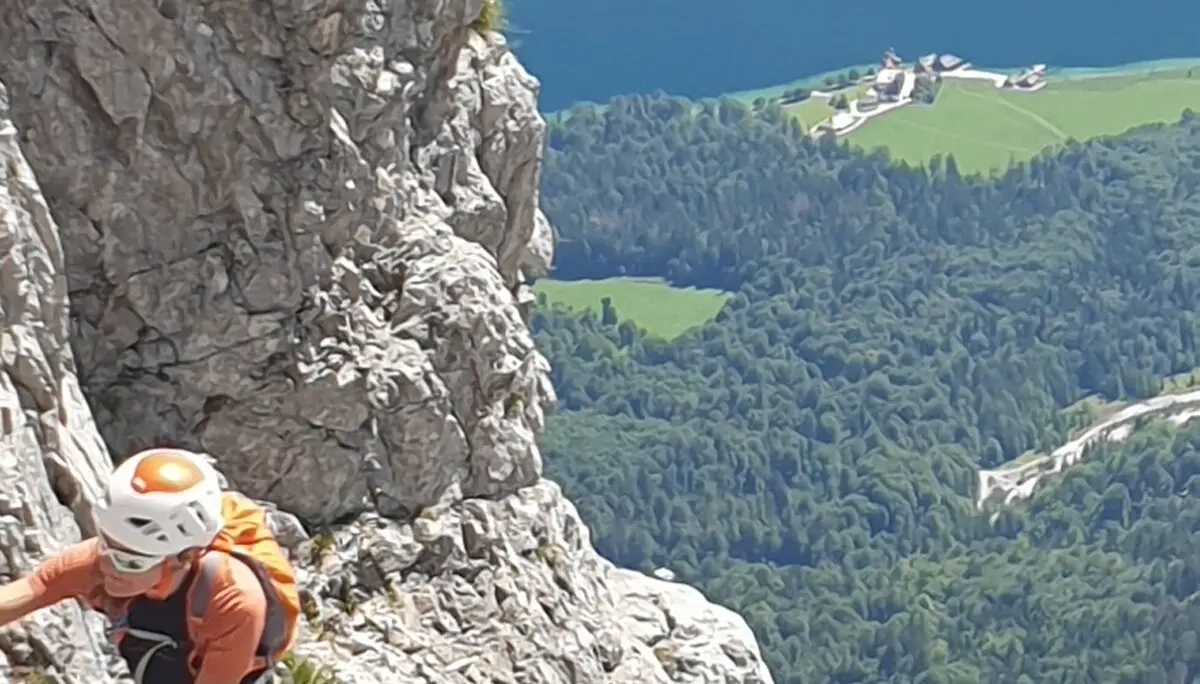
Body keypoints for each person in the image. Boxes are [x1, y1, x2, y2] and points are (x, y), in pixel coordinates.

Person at [0, 447, 301, 684]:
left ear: (185, 557)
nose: (106, 565)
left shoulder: (234, 601)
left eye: (129, 561)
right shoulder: (120, 553)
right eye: (104, 544)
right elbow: (37, 587)